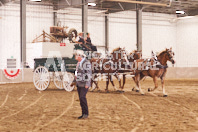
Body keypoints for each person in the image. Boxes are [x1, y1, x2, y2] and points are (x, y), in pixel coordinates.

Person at [74, 50, 92, 119]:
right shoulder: (79, 63)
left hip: (84, 84)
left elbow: (89, 73)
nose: (75, 57)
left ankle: (86, 113)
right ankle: (83, 113)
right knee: (81, 99)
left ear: (79, 56)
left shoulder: (86, 63)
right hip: (79, 83)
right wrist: (74, 80)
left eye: (76, 55)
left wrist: (87, 83)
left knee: (82, 97)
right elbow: (77, 72)